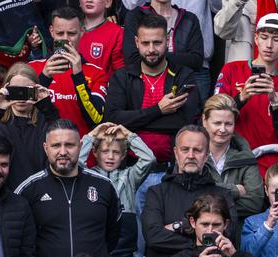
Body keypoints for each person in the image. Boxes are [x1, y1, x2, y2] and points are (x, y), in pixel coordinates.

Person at [16, 119, 122, 257]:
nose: (63, 152)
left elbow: (112, 235)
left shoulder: (104, 186)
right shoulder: (29, 189)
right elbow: (18, 242)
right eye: (56, 145)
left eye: (69, 145)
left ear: (80, 146)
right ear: (45, 148)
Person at [139, 125, 241, 257]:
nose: (191, 155)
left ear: (206, 154)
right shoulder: (157, 193)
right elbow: (153, 236)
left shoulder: (222, 195)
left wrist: (177, 227)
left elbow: (230, 234)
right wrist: (199, 241)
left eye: (197, 150)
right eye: (185, 149)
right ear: (176, 152)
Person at [78, 123, 154, 257]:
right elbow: (78, 161)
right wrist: (92, 136)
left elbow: (149, 159)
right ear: (96, 153)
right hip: (97, 254)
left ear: (123, 156)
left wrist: (129, 136)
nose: (110, 156)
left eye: (116, 153)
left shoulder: (129, 177)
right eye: (105, 151)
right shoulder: (88, 176)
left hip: (123, 255)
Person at [102, 12, 201, 172]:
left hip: (170, 171)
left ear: (167, 41)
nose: (151, 49)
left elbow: (185, 122)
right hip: (129, 169)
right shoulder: (122, 76)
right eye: (145, 43)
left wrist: (132, 123)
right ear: (136, 42)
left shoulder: (183, 75)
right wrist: (159, 110)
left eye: (157, 43)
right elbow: (112, 119)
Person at [214, 13, 278, 174]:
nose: (269, 45)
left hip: (273, 166)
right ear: (255, 39)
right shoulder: (231, 70)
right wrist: (241, 98)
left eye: (276, 39)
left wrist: (275, 103)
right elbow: (213, 116)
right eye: (264, 37)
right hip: (234, 159)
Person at [0, 65, 62, 190]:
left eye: (27, 91)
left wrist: (46, 106)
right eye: (16, 91)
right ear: (6, 89)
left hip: (44, 191)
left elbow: (62, 140)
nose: (21, 96)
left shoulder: (46, 118)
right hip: (7, 195)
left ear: (37, 89)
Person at [29, 7, 107, 136]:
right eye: (60, 34)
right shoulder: (33, 68)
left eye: (71, 34)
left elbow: (95, 118)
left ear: (82, 31)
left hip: (82, 152)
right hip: (42, 151)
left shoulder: (96, 73)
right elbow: (21, 113)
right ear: (51, 32)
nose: (66, 39)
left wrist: (78, 76)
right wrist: (44, 78)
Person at [200, 94, 263, 219]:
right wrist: (235, 190)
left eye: (228, 124)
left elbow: (255, 202)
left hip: (235, 233)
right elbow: (187, 194)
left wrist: (208, 206)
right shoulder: (191, 152)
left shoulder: (244, 154)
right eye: (217, 123)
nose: (222, 129)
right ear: (204, 121)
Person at [80, 0, 123, 76]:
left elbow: (120, 72)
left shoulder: (117, 33)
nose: (89, 0)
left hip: (103, 86)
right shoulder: (69, 29)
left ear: (108, 2)